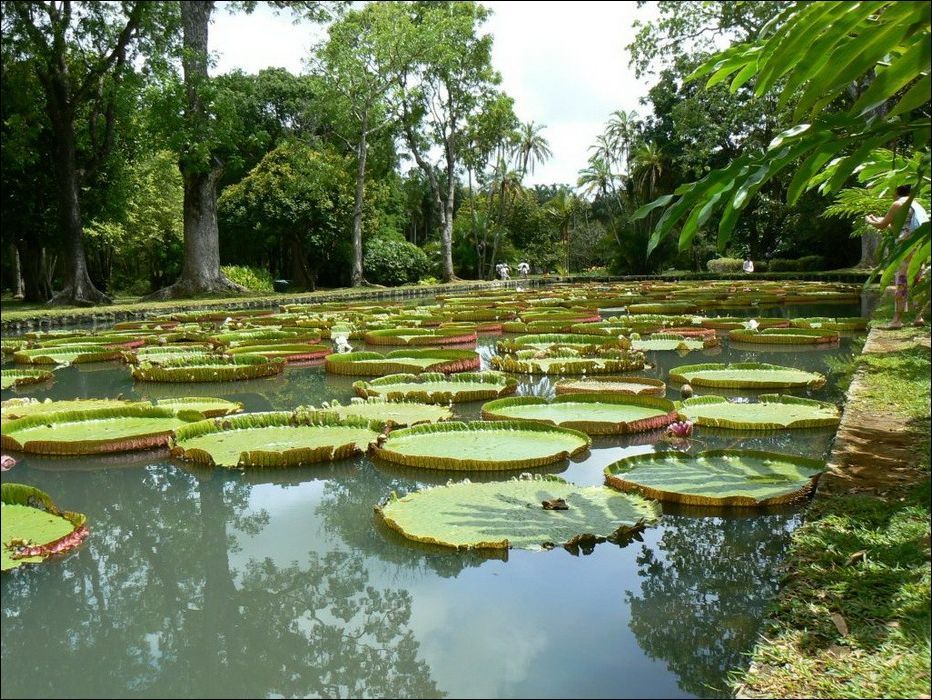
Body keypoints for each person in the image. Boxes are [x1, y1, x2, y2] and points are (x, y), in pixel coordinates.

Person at [866, 184, 928, 328]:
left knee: (902, 281)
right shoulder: (915, 204)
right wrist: (878, 221)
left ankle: (897, 320)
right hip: (919, 245)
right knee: (918, 279)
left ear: (895, 190)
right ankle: (919, 318)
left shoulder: (897, 203)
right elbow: (899, 227)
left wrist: (869, 220)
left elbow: (882, 225)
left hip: (905, 248)